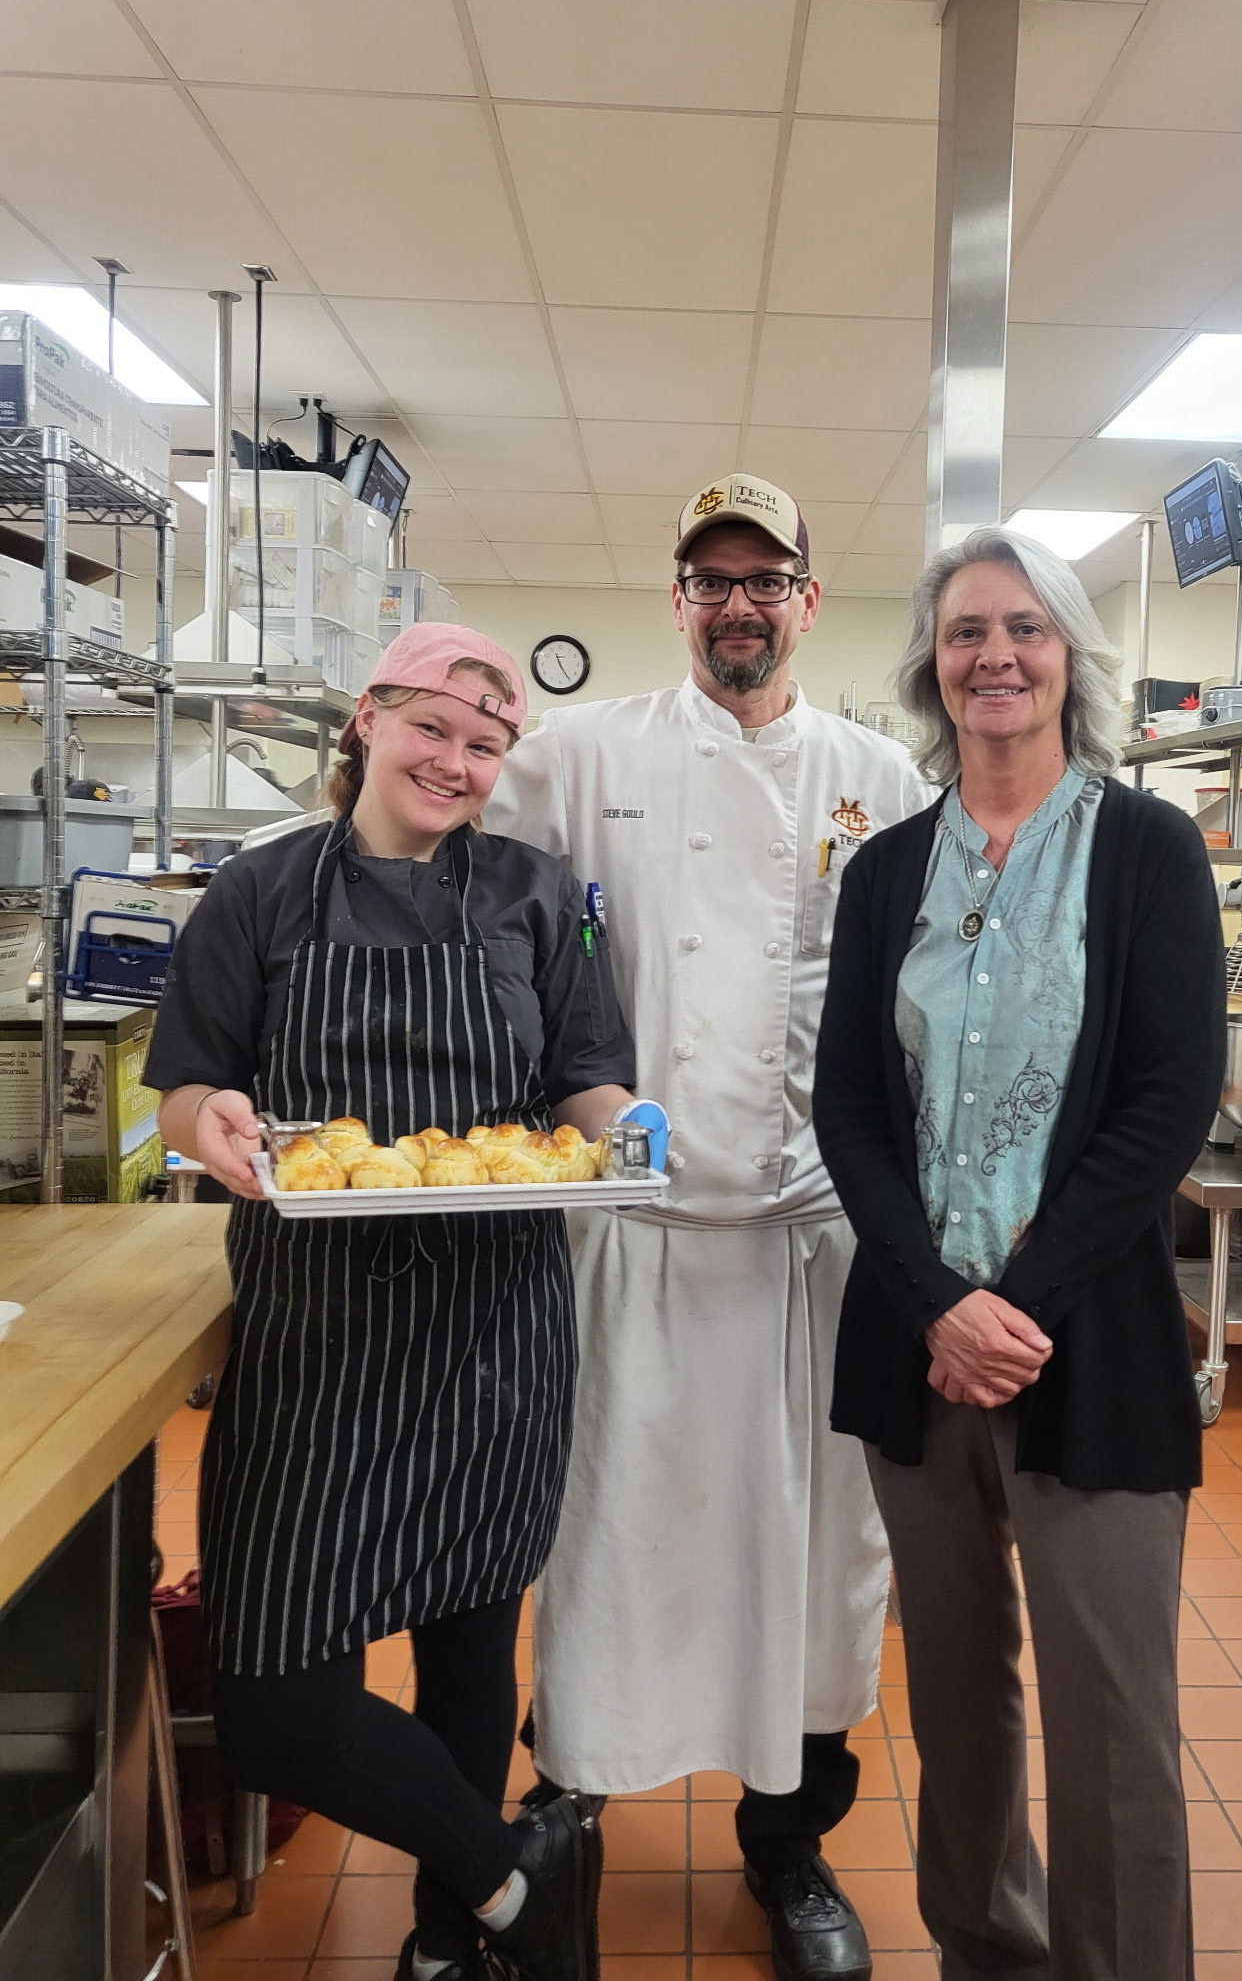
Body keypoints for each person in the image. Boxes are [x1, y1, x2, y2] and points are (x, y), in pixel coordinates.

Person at [487, 475, 932, 1981]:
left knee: (810, 1556)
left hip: (816, 1245)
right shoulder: (582, 752)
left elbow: (936, 1000)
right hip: (631, 1226)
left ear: (808, 599)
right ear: (677, 601)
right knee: (611, 1529)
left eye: (766, 579)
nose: (737, 604)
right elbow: (467, 902)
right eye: (709, 580)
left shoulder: (880, 776)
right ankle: (572, 1807)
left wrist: (869, 1148)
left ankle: (790, 1846)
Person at [146, 624, 637, 1981]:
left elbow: (586, 1079)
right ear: (367, 721)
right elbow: (188, 1087)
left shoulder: (542, 894)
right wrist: (217, 1125)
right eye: (436, 727)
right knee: (278, 1711)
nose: (460, 760)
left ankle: (446, 1933)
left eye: (488, 744)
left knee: (472, 1649)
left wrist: (635, 1123)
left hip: (493, 1333)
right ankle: (513, 1887)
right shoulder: (257, 892)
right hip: (318, 1340)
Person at [812, 528, 1227, 1981]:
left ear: (1071, 660)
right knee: (959, 1698)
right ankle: (990, 1947)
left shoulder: (1150, 851)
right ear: (933, 665)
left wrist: (1011, 1305)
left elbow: (1169, 1098)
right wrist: (939, 1303)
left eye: (1027, 628)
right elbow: (851, 1107)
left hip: (1088, 1343)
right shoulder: (883, 876)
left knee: (1112, 1710)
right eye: (967, 630)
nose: (996, 653)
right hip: (915, 1344)